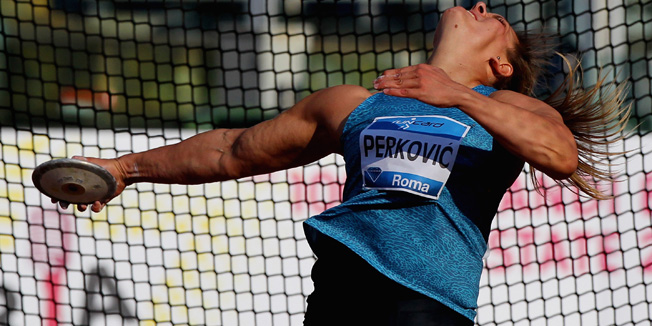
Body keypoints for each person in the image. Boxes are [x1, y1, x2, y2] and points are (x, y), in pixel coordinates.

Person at [50, 2, 629, 325]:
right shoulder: (354, 103)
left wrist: (456, 95)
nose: (480, 6)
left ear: (501, 66)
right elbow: (232, 149)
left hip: (424, 305)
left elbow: (560, 154)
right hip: (337, 297)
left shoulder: (505, 105)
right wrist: (124, 169)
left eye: (495, 19)